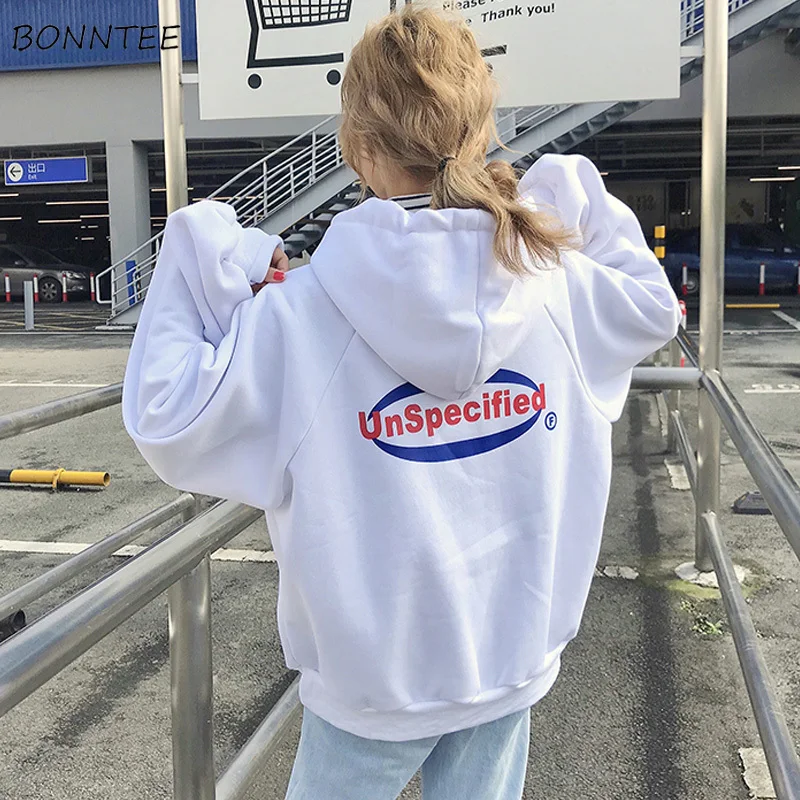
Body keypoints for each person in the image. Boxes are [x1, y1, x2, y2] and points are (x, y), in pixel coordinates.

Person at [123, 7, 680, 799]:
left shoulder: (299, 317)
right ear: (483, 131)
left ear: (356, 146)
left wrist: (205, 250)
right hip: (508, 665)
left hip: (369, 690)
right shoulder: (562, 289)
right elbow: (652, 305)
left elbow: (167, 412)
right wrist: (572, 191)